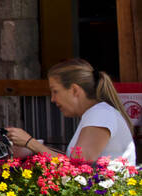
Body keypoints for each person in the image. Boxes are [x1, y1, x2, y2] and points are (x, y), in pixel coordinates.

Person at [7, 59, 136, 165]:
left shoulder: (100, 114)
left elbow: (78, 168)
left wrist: (30, 143)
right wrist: (30, 148)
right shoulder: (97, 113)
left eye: (55, 91)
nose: (52, 99)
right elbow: (75, 162)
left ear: (74, 90)